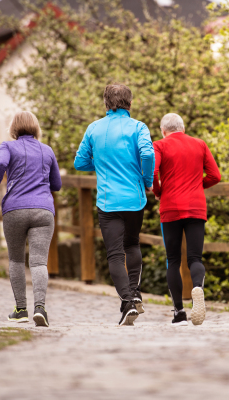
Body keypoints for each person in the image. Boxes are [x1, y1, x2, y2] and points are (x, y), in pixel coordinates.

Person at [74, 84, 155, 326]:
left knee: (114, 254)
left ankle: (128, 301)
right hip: (134, 199)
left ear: (106, 104)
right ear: (129, 104)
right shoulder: (139, 127)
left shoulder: (94, 128)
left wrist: (101, 165)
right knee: (132, 245)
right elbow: (148, 155)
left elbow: (80, 162)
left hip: (108, 201)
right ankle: (134, 293)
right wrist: (147, 180)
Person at [0, 111, 62, 327]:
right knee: (38, 261)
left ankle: (21, 310)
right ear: (36, 128)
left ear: (13, 129)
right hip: (43, 211)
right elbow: (57, 185)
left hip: (15, 209)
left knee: (16, 260)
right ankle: (40, 308)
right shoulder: (47, 150)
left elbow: (0, 165)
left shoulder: (8, 147)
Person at [152, 113, 221, 326]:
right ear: (183, 128)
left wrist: (158, 191)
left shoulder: (160, 145)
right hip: (196, 206)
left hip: (170, 207)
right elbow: (215, 176)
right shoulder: (199, 144)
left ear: (163, 131)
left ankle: (179, 312)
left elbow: (153, 173)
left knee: (173, 260)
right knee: (195, 258)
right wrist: (197, 186)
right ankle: (198, 288)